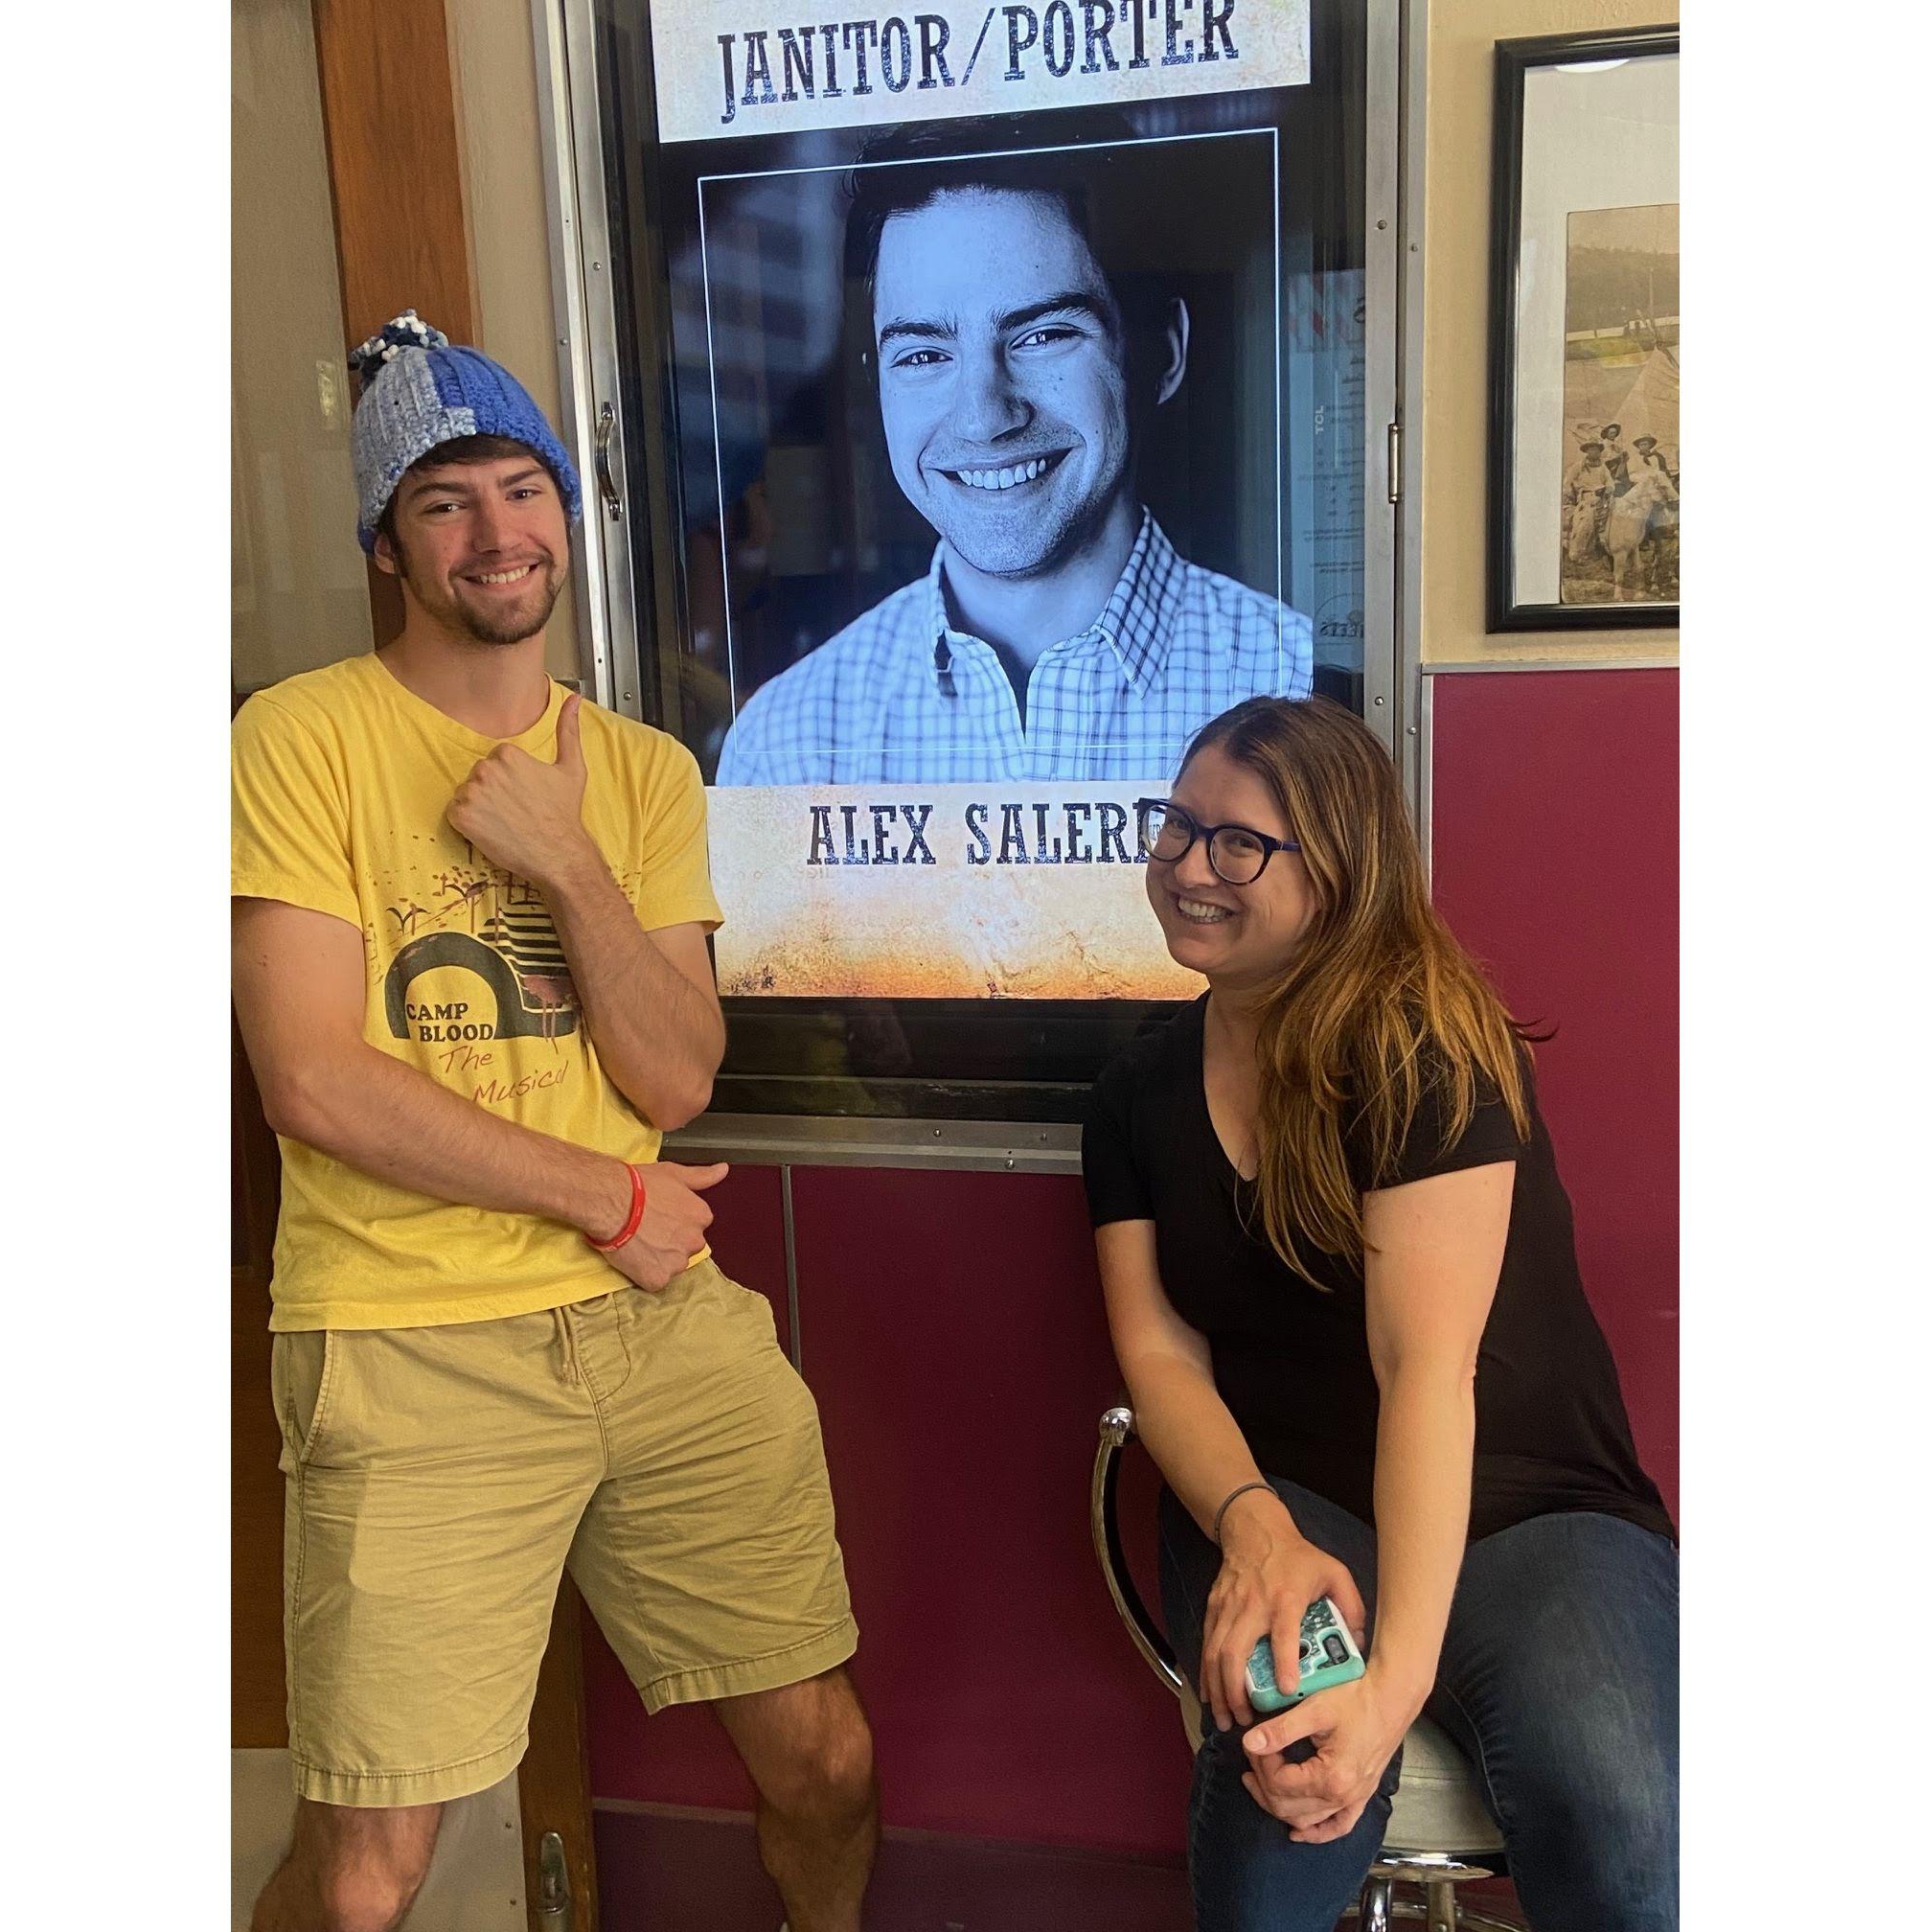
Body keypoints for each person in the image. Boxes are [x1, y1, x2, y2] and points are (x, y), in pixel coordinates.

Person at [233, 313, 876, 1932]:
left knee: (826, 1762)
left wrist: (565, 856)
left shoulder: (645, 768)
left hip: (656, 1330)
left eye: (524, 489)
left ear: (567, 523)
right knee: (373, 1865)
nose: (497, 530)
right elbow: (311, 1074)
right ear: (389, 544)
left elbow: (675, 1079)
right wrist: (606, 1193)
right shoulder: (298, 739)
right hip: (408, 1337)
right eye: (445, 502)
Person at [1080, 698, 1677, 1931]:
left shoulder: (1425, 1050)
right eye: (1176, 827)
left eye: (1239, 843)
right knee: (1288, 1783)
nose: (1191, 866)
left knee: (1617, 1815)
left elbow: (1424, 1371)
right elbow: (1157, 1349)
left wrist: (1396, 1684)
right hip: (1278, 1490)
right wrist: (1253, 1531)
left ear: (1342, 872)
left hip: (1528, 1500)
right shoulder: (1137, 1089)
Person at [716, 135, 1312, 786]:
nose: (983, 417)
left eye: (1043, 335)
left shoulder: (1300, 687)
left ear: (1162, 353)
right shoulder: (787, 744)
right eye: (923, 355)